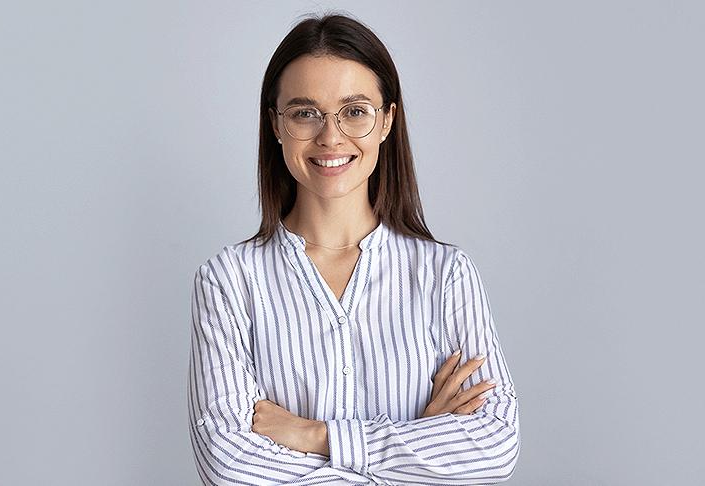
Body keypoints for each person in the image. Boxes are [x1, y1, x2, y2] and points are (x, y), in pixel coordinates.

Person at [187, 12, 520, 485]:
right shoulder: (228, 280)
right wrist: (420, 442)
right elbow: (231, 467)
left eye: (355, 111)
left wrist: (319, 436)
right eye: (305, 112)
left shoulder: (444, 275)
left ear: (387, 121)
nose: (330, 136)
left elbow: (493, 447)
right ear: (275, 124)